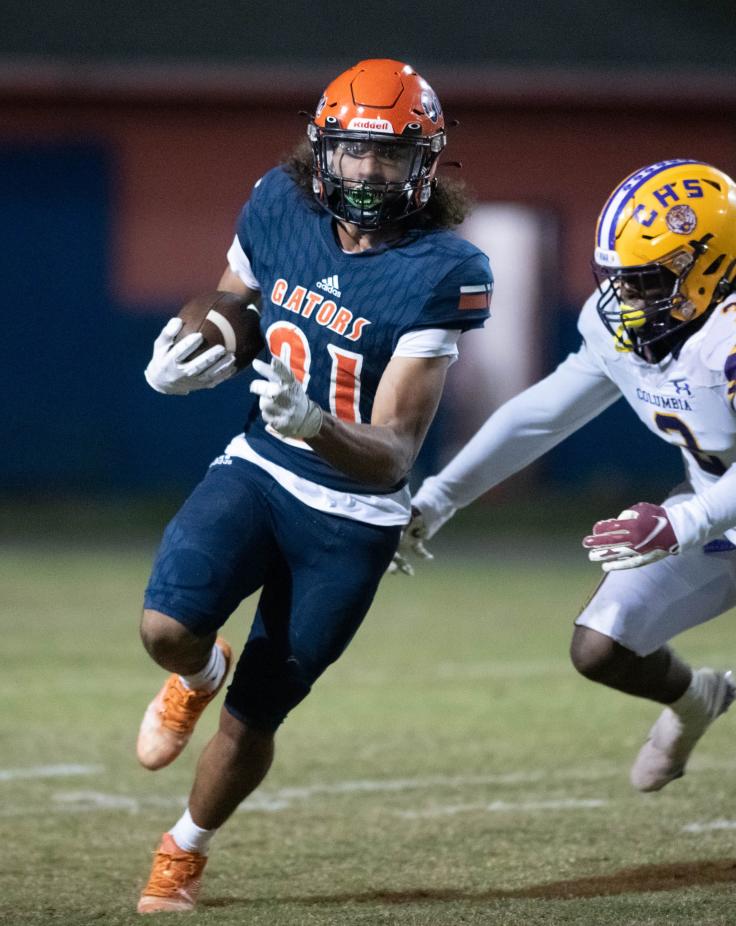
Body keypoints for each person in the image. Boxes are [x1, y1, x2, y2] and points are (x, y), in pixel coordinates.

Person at [395, 159, 736, 876]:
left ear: (707, 266)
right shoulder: (625, 326)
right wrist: (436, 499)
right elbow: (539, 417)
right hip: (720, 519)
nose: (626, 297)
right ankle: (693, 701)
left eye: (646, 280)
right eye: (618, 278)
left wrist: (678, 524)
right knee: (600, 647)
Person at [134, 58, 493, 914]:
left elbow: (397, 451)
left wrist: (317, 424)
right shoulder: (278, 202)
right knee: (164, 630)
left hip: (353, 515)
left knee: (256, 716)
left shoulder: (443, 269)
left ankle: (183, 851)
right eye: (355, 151)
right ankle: (197, 669)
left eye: (392, 155)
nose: (370, 172)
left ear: (428, 163)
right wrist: (192, 359)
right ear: (322, 150)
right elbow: (234, 305)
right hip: (262, 470)